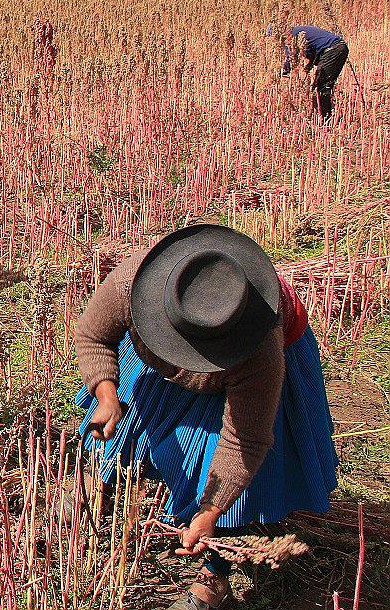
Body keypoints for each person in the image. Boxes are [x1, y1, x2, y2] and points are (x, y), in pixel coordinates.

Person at [75, 225, 337, 610]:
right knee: (131, 418)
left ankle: (215, 576)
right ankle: (98, 480)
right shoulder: (133, 284)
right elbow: (93, 335)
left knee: (240, 481)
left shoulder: (260, 352)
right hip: (161, 351)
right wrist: (107, 395)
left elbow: (244, 443)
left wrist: (210, 510)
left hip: (254, 370)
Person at [283, 24, 348, 120]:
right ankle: (323, 116)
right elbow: (313, 51)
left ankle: (325, 119)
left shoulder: (293, 36)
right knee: (322, 86)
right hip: (338, 48)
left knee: (320, 88)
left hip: (333, 50)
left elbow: (291, 58)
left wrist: (283, 72)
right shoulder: (299, 30)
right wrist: (307, 68)